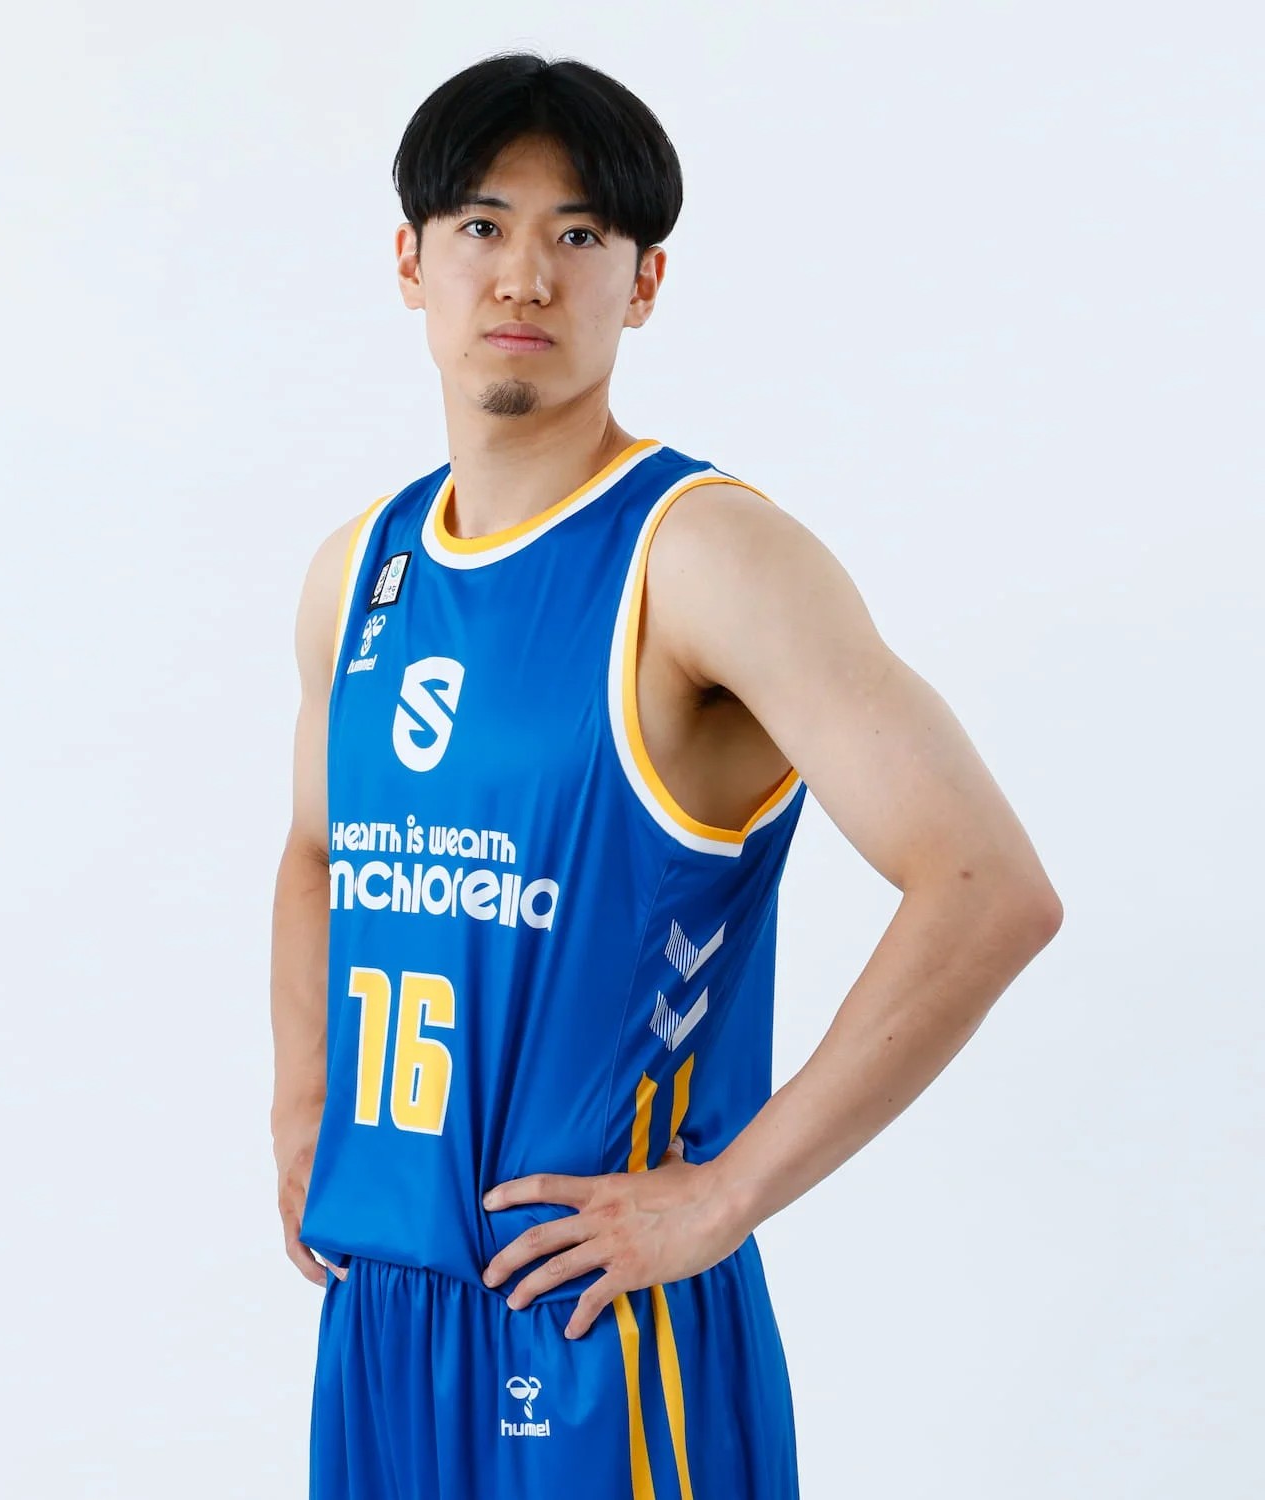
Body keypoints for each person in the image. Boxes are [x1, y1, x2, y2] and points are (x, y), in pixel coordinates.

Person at [270, 50, 1062, 1500]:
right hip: (382, 1315)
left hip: (597, 1328)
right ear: (411, 261)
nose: (525, 275)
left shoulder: (700, 554)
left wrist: (724, 1195)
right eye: (482, 225)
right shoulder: (359, 571)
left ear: (642, 283)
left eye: (579, 235)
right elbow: (321, 852)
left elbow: (988, 887)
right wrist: (302, 1105)